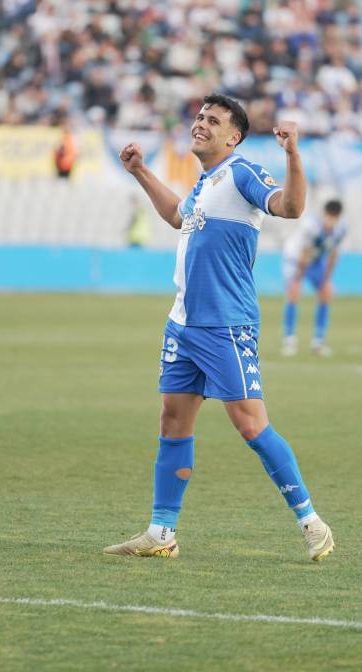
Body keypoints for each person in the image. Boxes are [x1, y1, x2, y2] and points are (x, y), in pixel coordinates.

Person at [104, 93, 334, 562]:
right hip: (183, 324)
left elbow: (289, 207)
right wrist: (141, 172)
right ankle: (161, 531)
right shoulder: (206, 182)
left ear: (234, 136)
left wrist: (292, 152)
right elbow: (177, 216)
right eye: (199, 117)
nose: (200, 124)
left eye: (213, 120)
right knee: (172, 419)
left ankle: (312, 522)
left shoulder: (243, 173)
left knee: (250, 425)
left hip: (226, 324)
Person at [281, 200, 346, 358]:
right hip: (295, 258)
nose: (331, 221)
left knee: (326, 294)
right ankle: (289, 340)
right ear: (324, 214)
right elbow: (304, 253)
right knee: (294, 294)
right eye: (329, 216)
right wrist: (298, 278)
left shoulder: (341, 230)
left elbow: (333, 256)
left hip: (316, 260)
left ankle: (318, 341)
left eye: (334, 217)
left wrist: (326, 279)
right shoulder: (311, 226)